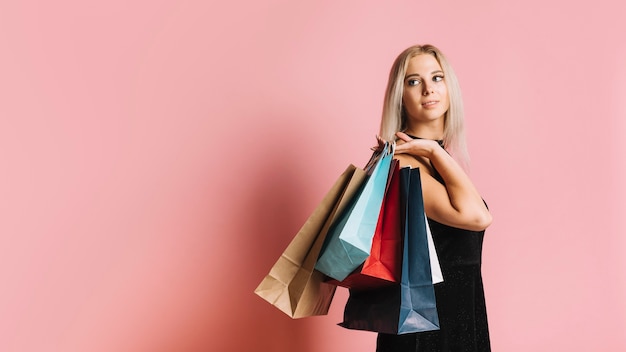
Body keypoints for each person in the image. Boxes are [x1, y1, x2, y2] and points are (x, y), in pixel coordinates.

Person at [375, 44, 493, 351]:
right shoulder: (406, 163)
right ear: (400, 96)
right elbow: (479, 218)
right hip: (427, 327)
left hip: (459, 315)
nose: (429, 89)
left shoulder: (435, 157)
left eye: (437, 78)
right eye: (414, 81)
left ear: (450, 87)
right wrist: (430, 150)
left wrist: (435, 151)